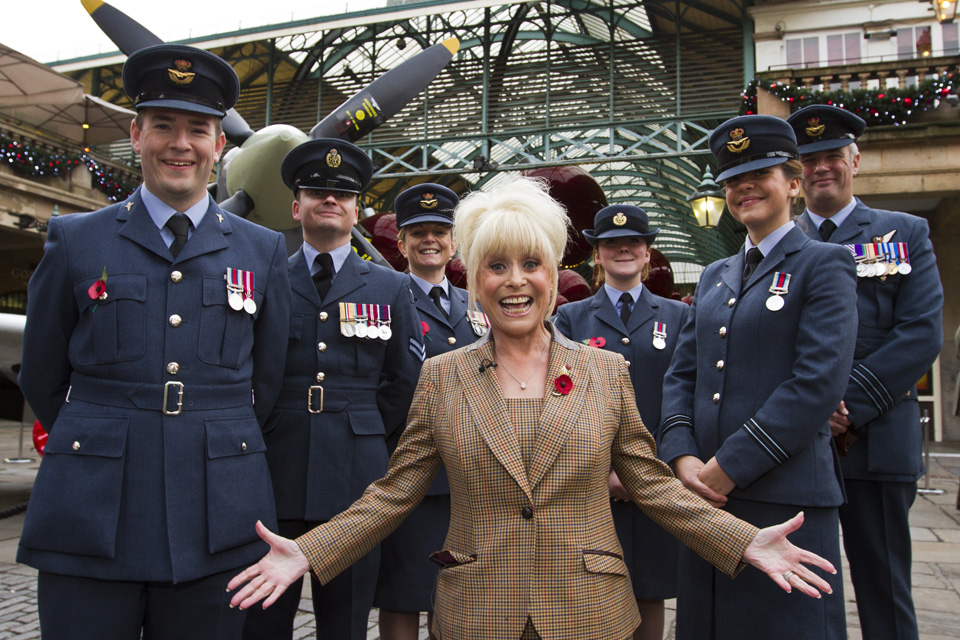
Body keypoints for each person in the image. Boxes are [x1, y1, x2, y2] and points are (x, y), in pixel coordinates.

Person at [229, 176, 839, 640]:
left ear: (555, 273)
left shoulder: (606, 372)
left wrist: (742, 541)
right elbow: (394, 493)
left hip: (589, 612)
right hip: (477, 611)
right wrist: (310, 550)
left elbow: (655, 489)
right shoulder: (442, 378)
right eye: (496, 266)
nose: (514, 281)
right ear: (475, 281)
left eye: (531, 264)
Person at [16, 44, 291, 639]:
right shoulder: (75, 240)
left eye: (199, 129)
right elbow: (41, 372)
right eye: (163, 126)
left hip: (217, 516)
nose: (180, 144)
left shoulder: (262, 251)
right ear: (136, 134)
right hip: (91, 511)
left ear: (220, 145)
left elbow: (268, 382)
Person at [657, 115, 858, 640]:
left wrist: (729, 467)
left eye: (760, 172)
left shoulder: (824, 263)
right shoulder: (713, 276)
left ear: (793, 182)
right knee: (707, 626)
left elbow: (817, 383)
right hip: (704, 499)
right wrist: (682, 458)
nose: (744, 187)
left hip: (784, 497)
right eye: (732, 179)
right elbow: (682, 374)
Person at [241, 138, 424, 640]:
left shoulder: (389, 287)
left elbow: (404, 378)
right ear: (295, 207)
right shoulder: (266, 278)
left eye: (342, 195)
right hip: (274, 464)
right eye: (317, 191)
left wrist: (363, 430)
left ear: (356, 210)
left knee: (345, 620)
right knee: (264, 612)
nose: (330, 200)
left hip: (355, 473)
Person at [787, 104, 944, 640]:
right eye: (809, 159)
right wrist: (812, 408)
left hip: (874, 445)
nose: (821, 167)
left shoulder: (904, 233)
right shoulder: (778, 243)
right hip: (798, 448)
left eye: (832, 155)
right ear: (795, 171)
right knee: (802, 588)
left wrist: (843, 402)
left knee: (884, 586)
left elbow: (921, 332)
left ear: (855, 160)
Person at [554, 204, 687, 640]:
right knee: (593, 583)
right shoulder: (571, 318)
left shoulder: (679, 316)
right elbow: (562, 400)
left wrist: (655, 466)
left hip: (657, 474)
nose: (623, 250)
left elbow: (684, 395)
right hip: (589, 478)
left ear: (648, 253)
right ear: (597, 254)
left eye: (633, 243)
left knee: (650, 587)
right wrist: (606, 467)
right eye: (611, 243)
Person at [375, 183, 489, 640]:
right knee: (402, 592)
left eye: (440, 231)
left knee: (464, 592)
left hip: (473, 475)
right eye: (417, 231)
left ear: (454, 242)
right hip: (412, 471)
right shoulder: (385, 296)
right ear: (401, 243)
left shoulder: (475, 304)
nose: (430, 240)